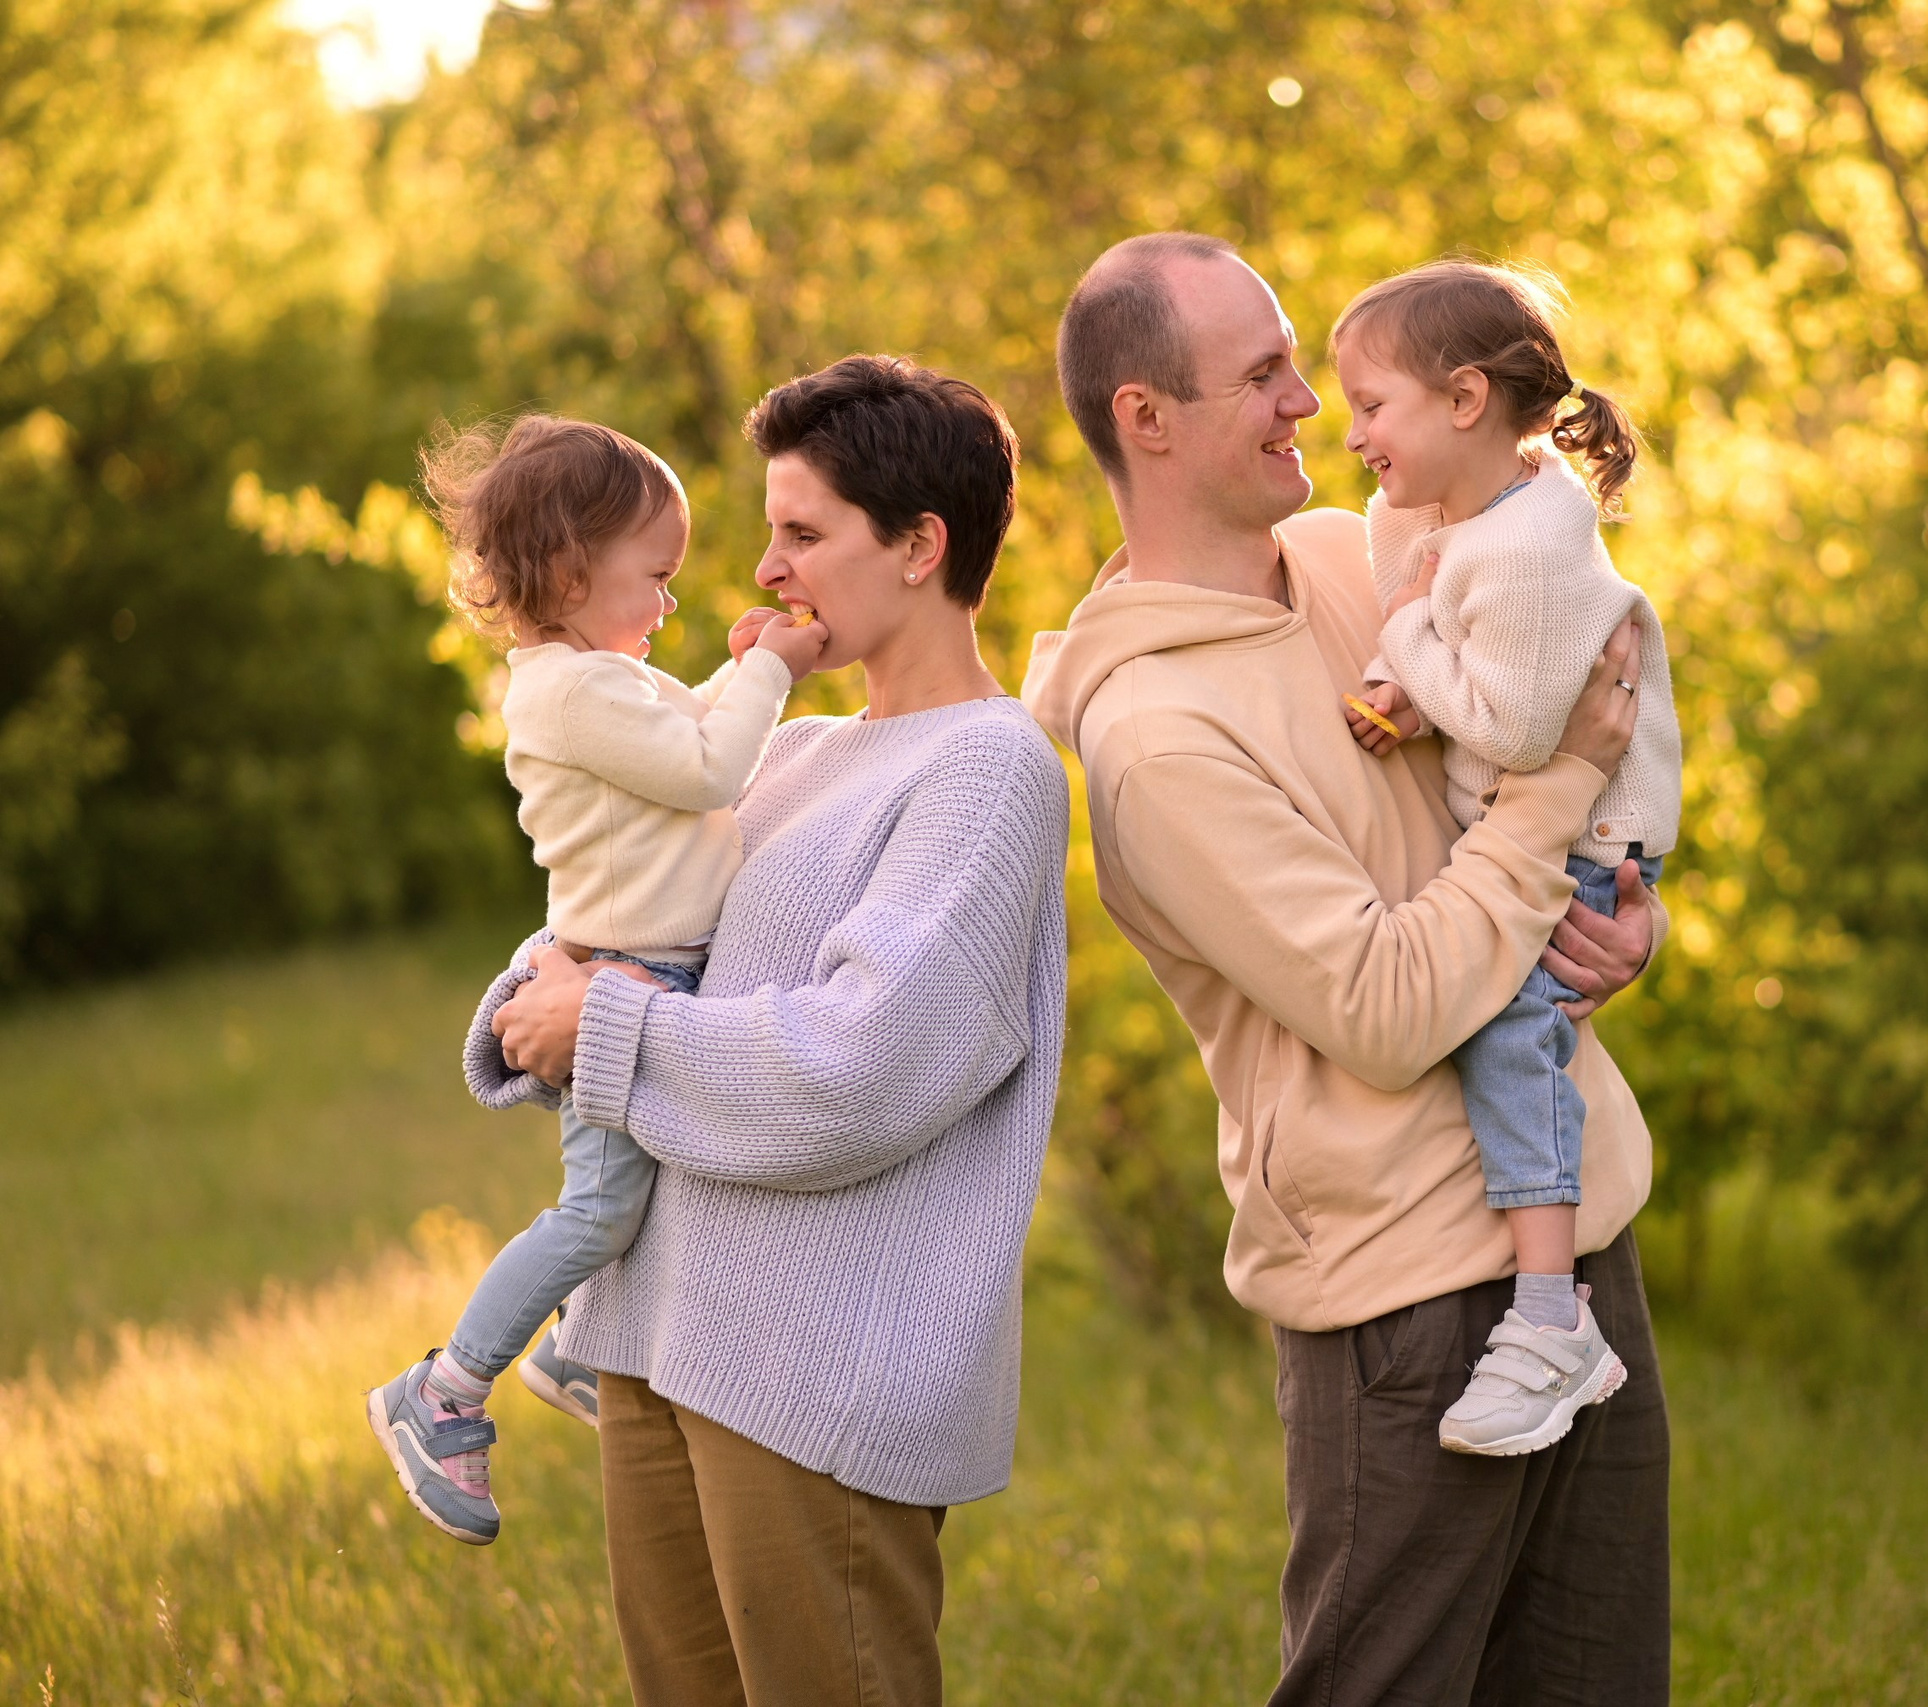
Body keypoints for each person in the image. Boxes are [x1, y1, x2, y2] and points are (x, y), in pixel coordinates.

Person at [1022, 233, 1669, 1706]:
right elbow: (1388, 1009)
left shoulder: (1353, 552)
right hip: (1405, 1309)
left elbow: (1566, 724)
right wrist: (1565, 784)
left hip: (1576, 1233)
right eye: (1262, 375)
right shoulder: (1155, 737)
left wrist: (1620, 916)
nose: (1309, 402)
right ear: (1147, 416)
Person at [466, 356, 1068, 1707]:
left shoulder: (989, 767)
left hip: (817, 1379)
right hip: (661, 1339)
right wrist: (538, 998)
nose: (769, 564)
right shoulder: (793, 754)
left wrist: (598, 1023)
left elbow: (857, 1068)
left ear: (921, 545)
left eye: (805, 532)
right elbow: (645, 933)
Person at [367, 414, 825, 1546]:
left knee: (663, 1189)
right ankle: (444, 1390)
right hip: (624, 979)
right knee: (600, 1208)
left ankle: (583, 1346)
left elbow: (691, 737)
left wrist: (742, 665)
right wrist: (772, 663)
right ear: (572, 569)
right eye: (654, 577)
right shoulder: (570, 694)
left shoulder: (603, 679)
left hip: (656, 970)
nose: (669, 604)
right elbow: (713, 765)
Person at [1331, 260, 1683, 1457]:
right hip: (1552, 822)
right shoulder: (1472, 520)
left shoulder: (1531, 545)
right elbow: (1470, 671)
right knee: (1515, 1035)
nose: (1352, 432)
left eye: (1373, 405)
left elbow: (1522, 728)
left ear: (1464, 398)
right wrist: (1411, 677)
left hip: (1578, 838)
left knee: (1506, 1035)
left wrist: (1405, 644)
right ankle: (1548, 1309)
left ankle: (1548, 1320)